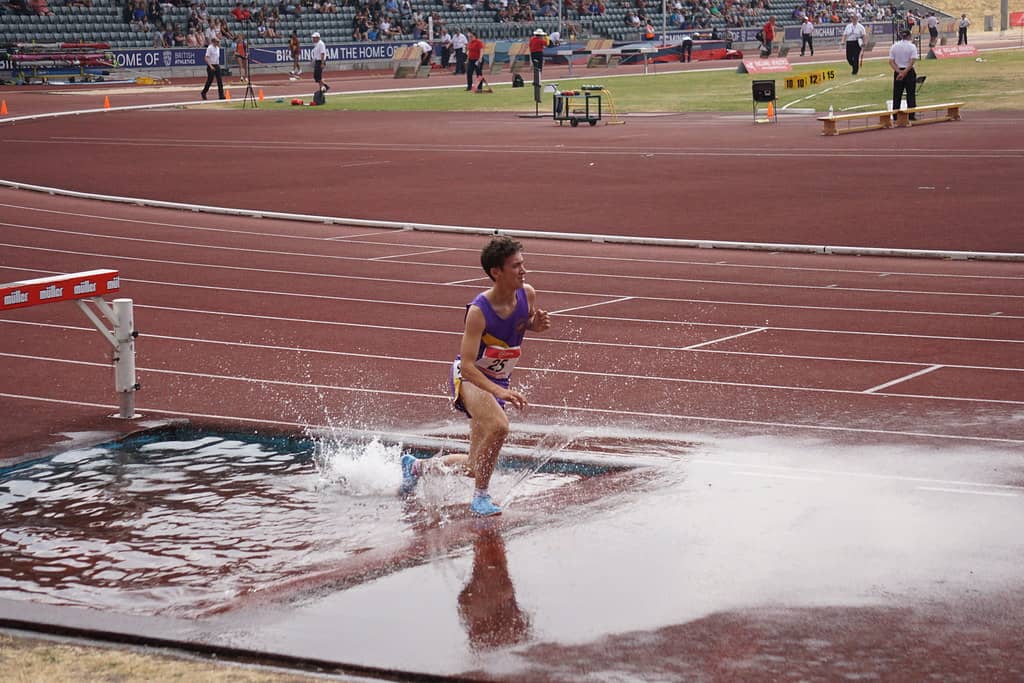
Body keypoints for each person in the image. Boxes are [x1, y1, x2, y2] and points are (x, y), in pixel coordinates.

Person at [400, 236, 551, 517]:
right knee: (499, 426)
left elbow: (522, 322)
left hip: (497, 381)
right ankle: (480, 497)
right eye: (516, 266)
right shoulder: (479, 312)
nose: (523, 270)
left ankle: (416, 467)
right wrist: (500, 392)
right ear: (497, 272)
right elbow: (468, 365)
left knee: (473, 465)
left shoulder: (527, 293)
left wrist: (534, 325)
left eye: (523, 264)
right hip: (470, 378)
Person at [889, 28, 918, 121]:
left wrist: (899, 72)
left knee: (897, 94)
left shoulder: (894, 46)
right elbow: (912, 61)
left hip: (898, 71)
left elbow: (891, 61)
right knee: (911, 94)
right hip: (908, 71)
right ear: (909, 36)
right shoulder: (912, 46)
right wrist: (905, 72)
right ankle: (911, 115)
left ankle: (895, 115)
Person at [200, 35, 224, 100]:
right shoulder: (210, 48)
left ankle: (221, 95)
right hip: (211, 65)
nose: (218, 43)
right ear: (213, 42)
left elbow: (217, 57)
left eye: (218, 42)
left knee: (220, 81)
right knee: (210, 81)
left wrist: (218, 65)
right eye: (217, 42)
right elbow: (206, 57)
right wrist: (210, 66)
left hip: (217, 65)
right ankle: (203, 92)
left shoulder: (218, 48)